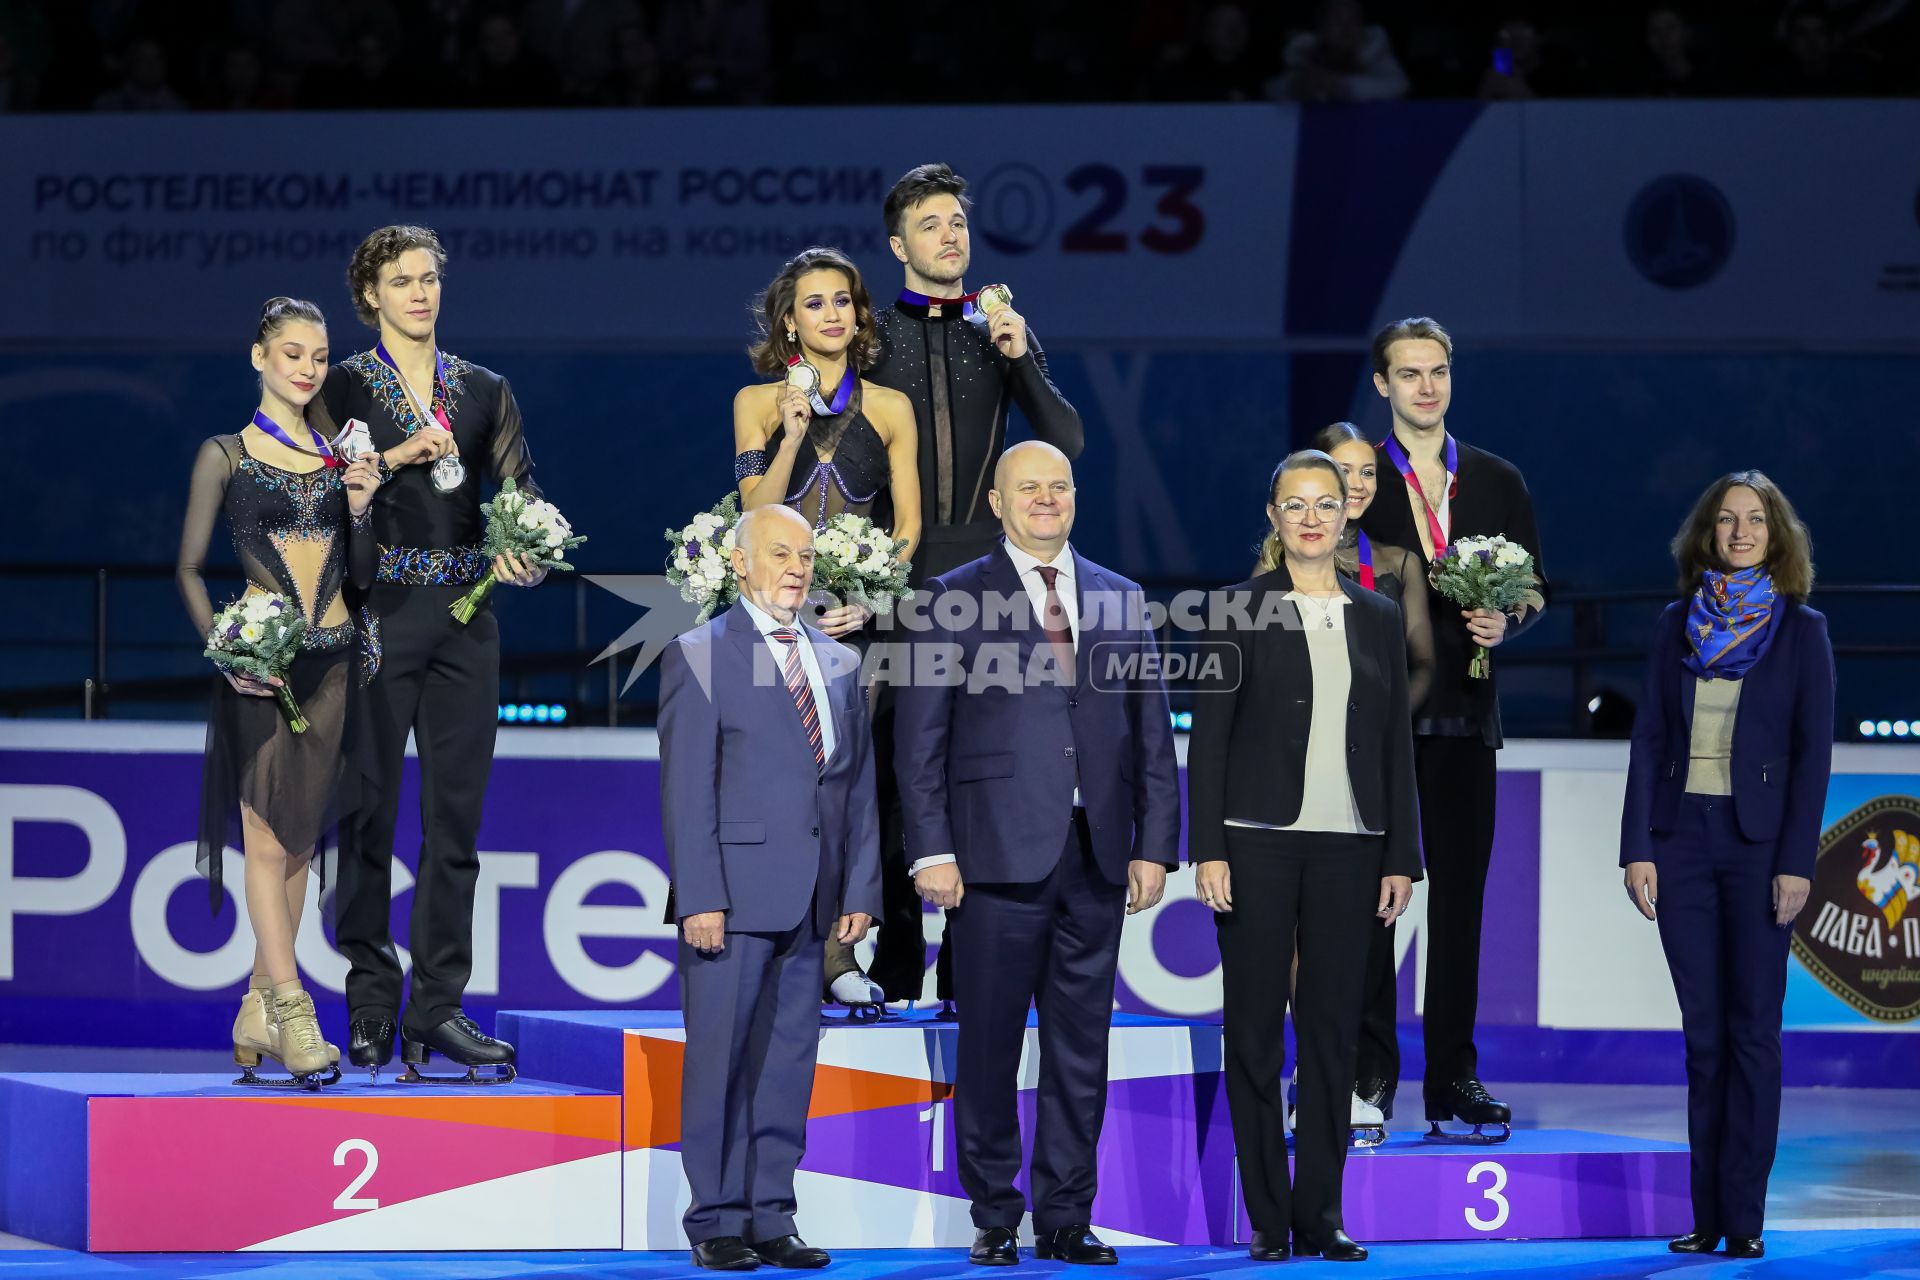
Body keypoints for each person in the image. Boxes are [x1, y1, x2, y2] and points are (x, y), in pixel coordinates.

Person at [894, 441, 1180, 1267]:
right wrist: (931, 853)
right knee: (986, 1044)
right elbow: (920, 743)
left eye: (1058, 486)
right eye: (1029, 488)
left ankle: (1065, 1215)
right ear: (997, 501)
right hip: (990, 858)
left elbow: (1151, 734)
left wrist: (1155, 843)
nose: (1046, 499)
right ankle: (994, 1212)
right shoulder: (949, 598)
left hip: (1096, 859)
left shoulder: (1122, 598)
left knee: (1080, 1048)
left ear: (1076, 498)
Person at [315, 224, 545, 1084]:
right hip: (379, 612)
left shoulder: (484, 388)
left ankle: (436, 1008)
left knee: (457, 822)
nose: (419, 292)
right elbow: (319, 503)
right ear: (370, 295)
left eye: (429, 279)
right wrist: (399, 453)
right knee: (368, 812)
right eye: (401, 281)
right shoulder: (337, 387)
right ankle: (371, 999)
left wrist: (524, 547)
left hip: (466, 615)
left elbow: (523, 493)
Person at [1190, 450, 1419, 1263]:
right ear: (1274, 517)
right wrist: (1206, 849)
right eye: (1296, 504)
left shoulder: (1379, 615)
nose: (1313, 517)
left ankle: (1322, 1213)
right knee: (1253, 1031)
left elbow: (1396, 746)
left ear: (1347, 515)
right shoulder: (1236, 609)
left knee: (1329, 1033)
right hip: (1253, 843)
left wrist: (1403, 857)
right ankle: (1268, 1217)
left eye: (1327, 503)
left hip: (1352, 846)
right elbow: (1209, 741)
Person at [868, 162, 1086, 1015]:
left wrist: (1021, 352)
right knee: (895, 776)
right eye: (930, 224)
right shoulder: (873, 337)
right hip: (899, 579)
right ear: (899, 245)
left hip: (987, 588)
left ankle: (969, 976)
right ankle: (892, 966)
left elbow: (1065, 435)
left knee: (978, 775)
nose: (950, 235)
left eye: (958, 221)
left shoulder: (1000, 332)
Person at [660, 503, 881, 1272]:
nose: (797, 567)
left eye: (806, 554)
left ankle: (770, 1215)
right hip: (731, 897)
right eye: (779, 553)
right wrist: (699, 897)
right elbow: (689, 789)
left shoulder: (840, 661)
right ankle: (715, 1220)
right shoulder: (701, 652)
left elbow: (857, 788)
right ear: (741, 564)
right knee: (719, 1061)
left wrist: (860, 889)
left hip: (814, 899)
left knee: (787, 1063)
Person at [1620, 471, 1834, 1261]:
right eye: (1726, 521)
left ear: (1777, 535)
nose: (1740, 532)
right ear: (1706, 535)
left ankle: (1743, 1219)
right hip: (1681, 841)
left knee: (1753, 1035)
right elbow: (1648, 738)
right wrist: (1638, 844)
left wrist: (1796, 861)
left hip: (1758, 849)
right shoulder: (1677, 623)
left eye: (1754, 521)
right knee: (1703, 1038)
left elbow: (1814, 756)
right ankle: (1704, 1216)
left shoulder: (1802, 630)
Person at [176, 297, 380, 1087]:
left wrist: (361, 506)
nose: (306, 367)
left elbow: (360, 579)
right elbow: (190, 569)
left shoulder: (340, 459)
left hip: (334, 669)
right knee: (266, 844)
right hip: (263, 673)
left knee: (298, 845)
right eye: (291, 352)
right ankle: (295, 1009)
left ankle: (256, 1006)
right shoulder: (224, 454)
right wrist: (224, 649)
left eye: (319, 356)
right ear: (258, 356)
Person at [1356, 316, 1546, 1141]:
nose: (1426, 387)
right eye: (1409, 374)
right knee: (1369, 904)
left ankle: (1453, 1078)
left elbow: (1537, 587)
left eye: (1438, 372)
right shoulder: (1357, 479)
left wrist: (1512, 619)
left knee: (1459, 907)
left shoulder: (1497, 479)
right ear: (1382, 385)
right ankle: (1366, 1076)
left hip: (1467, 720)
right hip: (1377, 727)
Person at [735, 245, 919, 1015]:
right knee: (777, 788)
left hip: (860, 634)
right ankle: (774, 945)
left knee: (848, 790)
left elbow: (907, 525)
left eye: (842, 301)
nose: (832, 315)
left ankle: (841, 954)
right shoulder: (754, 401)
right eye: (814, 303)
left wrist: (872, 600)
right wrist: (789, 430)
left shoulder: (889, 408)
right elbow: (754, 513)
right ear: (788, 321)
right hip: (775, 623)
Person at [1284, 422, 1434, 1142]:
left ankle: (1352, 1080)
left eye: (1363, 476)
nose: (1354, 489)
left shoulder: (1393, 574)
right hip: (1284, 803)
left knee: (1357, 949)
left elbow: (1419, 669)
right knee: (1292, 954)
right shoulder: (1262, 584)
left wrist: (1362, 725)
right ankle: (1306, 1080)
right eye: (1340, 476)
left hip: (1362, 790)